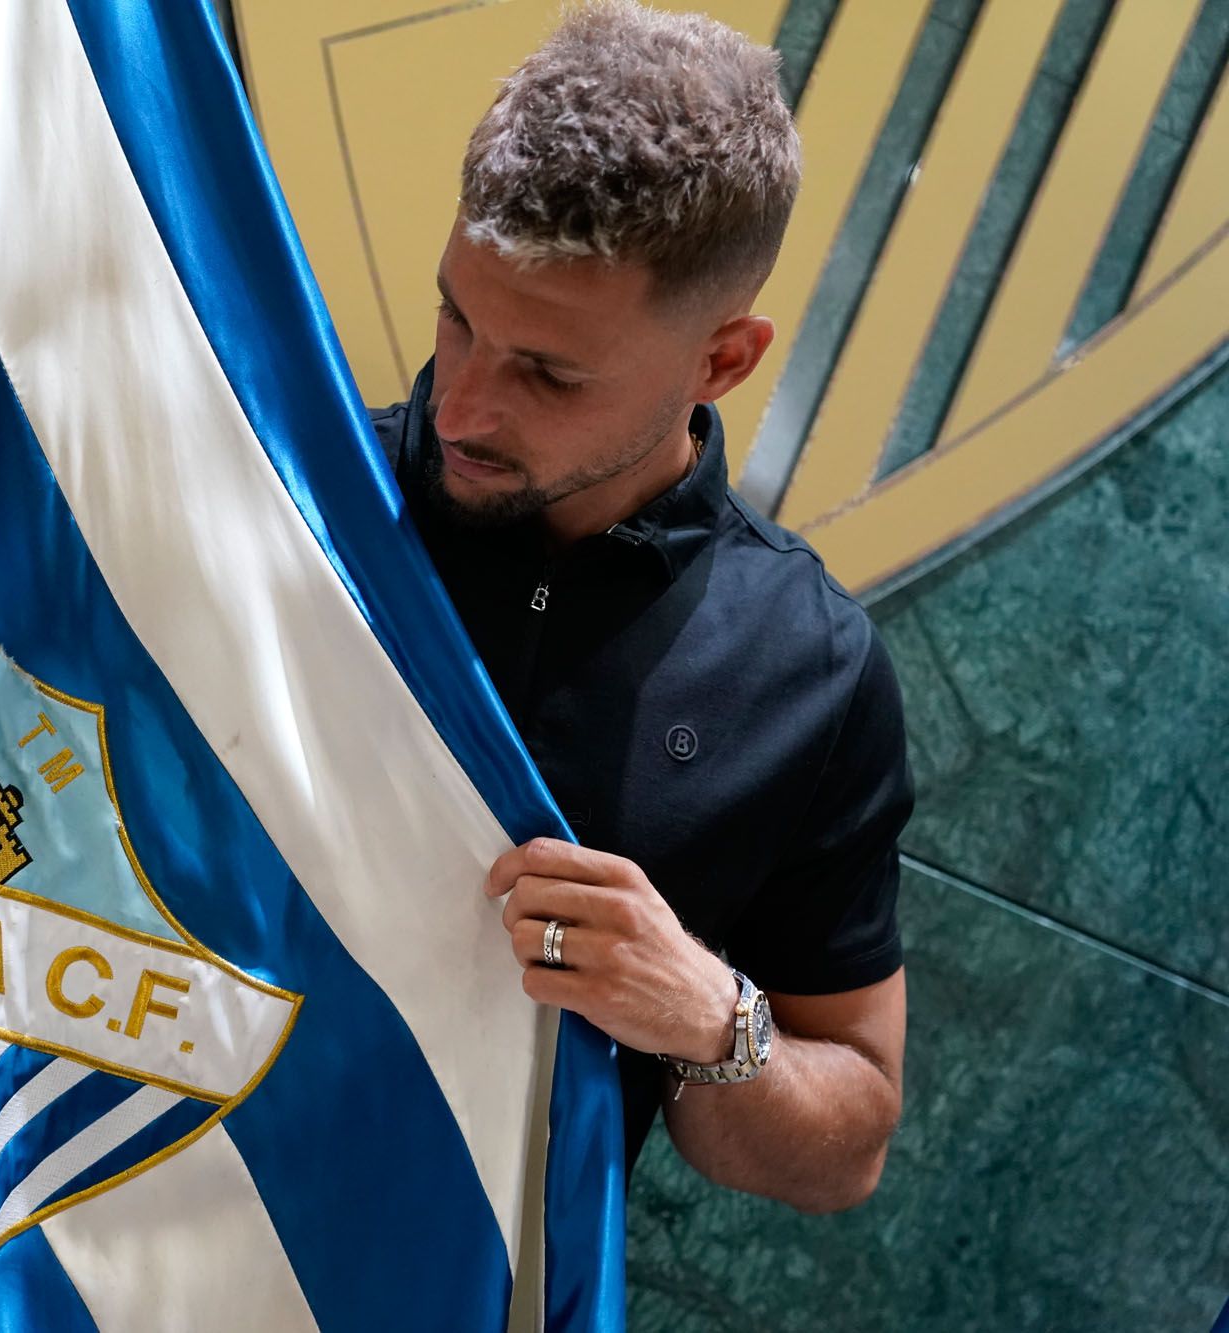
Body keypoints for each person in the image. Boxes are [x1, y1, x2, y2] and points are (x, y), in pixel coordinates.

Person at [371, 0, 911, 1212]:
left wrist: (706, 1016)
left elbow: (848, 1144)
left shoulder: (808, 674)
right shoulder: (284, 496)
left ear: (723, 359)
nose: (458, 406)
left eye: (546, 373)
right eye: (456, 317)